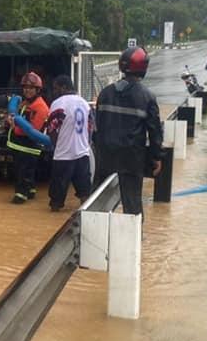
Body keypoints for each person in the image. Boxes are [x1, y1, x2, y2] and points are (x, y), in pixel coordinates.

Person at [93, 47, 165, 216]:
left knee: (99, 203)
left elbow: (98, 125)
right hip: (131, 159)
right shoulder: (147, 97)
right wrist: (157, 157)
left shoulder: (105, 93)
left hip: (105, 155)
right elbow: (155, 132)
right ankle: (134, 233)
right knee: (132, 205)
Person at [46, 75, 93, 212]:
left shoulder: (58, 104)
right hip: (82, 153)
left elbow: (52, 129)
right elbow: (91, 127)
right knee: (84, 191)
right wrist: (86, 144)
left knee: (56, 196)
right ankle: (85, 214)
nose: (54, 92)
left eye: (56, 88)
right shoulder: (84, 103)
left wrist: (55, 146)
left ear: (64, 87)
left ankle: (55, 211)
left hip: (63, 154)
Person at [7, 72, 50, 204]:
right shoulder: (26, 103)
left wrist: (15, 126)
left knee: (23, 171)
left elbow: (33, 130)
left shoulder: (40, 107)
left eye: (31, 88)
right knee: (25, 171)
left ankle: (21, 195)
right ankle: (30, 191)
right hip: (20, 145)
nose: (27, 90)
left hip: (28, 146)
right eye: (25, 88)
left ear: (38, 90)